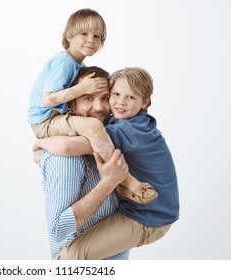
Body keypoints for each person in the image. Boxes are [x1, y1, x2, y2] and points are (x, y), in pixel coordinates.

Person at [35, 67, 179, 259]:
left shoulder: (130, 130)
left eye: (131, 97)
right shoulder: (125, 121)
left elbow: (68, 146)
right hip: (139, 209)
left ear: (145, 102)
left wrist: (38, 144)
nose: (120, 102)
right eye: (116, 94)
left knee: (71, 257)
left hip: (149, 218)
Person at [28, 8, 156, 204]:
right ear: (69, 35)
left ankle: (115, 181)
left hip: (55, 119)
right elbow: (48, 99)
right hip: (46, 120)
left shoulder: (78, 66)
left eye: (97, 36)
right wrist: (82, 88)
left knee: (96, 134)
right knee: (94, 127)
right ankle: (127, 180)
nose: (91, 40)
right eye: (84, 34)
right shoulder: (64, 62)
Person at [37, 66, 130, 259]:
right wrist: (108, 183)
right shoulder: (64, 159)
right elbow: (58, 230)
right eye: (88, 98)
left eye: (105, 98)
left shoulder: (113, 137)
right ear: (71, 104)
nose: (98, 107)